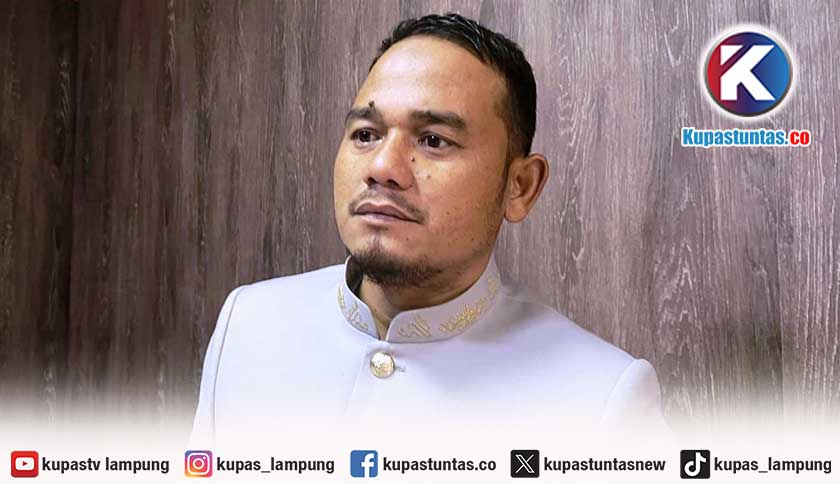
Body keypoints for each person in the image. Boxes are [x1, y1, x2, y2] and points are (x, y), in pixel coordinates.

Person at [191, 12, 666, 444]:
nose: (383, 167)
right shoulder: (248, 324)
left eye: (434, 140)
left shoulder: (602, 400)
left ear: (519, 186)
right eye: (366, 134)